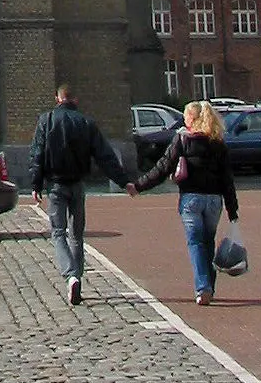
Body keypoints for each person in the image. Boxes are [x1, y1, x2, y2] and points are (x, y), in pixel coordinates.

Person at [29, 82, 137, 305]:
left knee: (58, 232)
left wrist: (35, 184)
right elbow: (104, 154)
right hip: (78, 184)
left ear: (57, 98)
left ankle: (70, 275)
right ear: (75, 100)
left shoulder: (46, 121)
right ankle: (77, 276)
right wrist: (124, 181)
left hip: (56, 185)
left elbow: (37, 154)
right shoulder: (86, 123)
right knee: (76, 235)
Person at [135, 99, 239, 304]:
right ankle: (209, 285)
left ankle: (203, 288)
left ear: (191, 119)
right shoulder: (217, 142)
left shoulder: (182, 140)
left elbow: (162, 168)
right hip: (214, 200)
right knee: (207, 241)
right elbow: (227, 179)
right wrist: (232, 208)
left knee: (195, 242)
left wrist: (138, 186)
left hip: (191, 198)